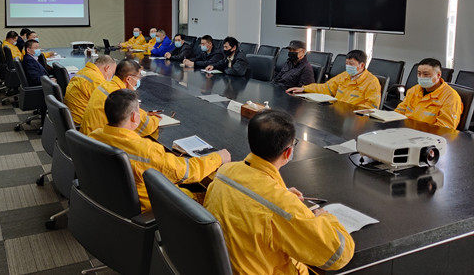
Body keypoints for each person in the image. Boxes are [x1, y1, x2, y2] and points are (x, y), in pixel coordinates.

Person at [204, 109, 354, 274]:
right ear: (288, 152)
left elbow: (253, 196)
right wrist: (325, 217)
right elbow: (339, 254)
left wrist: (282, 192)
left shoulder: (225, 172)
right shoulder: (283, 207)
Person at [89, 89, 231, 212]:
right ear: (134, 117)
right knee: (211, 198)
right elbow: (185, 172)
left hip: (111, 198)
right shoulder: (145, 151)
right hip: (149, 207)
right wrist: (218, 157)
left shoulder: (93, 136)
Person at [81, 59, 159, 137]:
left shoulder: (105, 86)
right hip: (102, 140)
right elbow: (145, 126)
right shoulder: (120, 96)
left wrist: (144, 113)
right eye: (138, 77)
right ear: (128, 79)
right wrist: (157, 119)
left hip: (88, 137)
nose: (138, 81)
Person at [286, 49, 380, 109]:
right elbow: (326, 88)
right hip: (336, 112)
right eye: (346, 63)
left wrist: (351, 112)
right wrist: (304, 88)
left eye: (351, 64)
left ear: (362, 65)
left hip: (354, 119)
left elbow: (371, 106)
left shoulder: (372, 82)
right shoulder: (344, 76)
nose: (348, 66)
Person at [395, 58, 463, 129]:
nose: (421, 77)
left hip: (427, 134)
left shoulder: (451, 97)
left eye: (426, 74)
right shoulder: (414, 90)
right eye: (419, 73)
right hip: (406, 129)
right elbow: (400, 111)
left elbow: (445, 128)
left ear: (438, 75)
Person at [64, 55, 117, 125]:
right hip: (81, 123)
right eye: (112, 73)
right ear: (107, 68)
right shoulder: (96, 80)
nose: (111, 77)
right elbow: (109, 105)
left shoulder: (83, 71)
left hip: (71, 119)